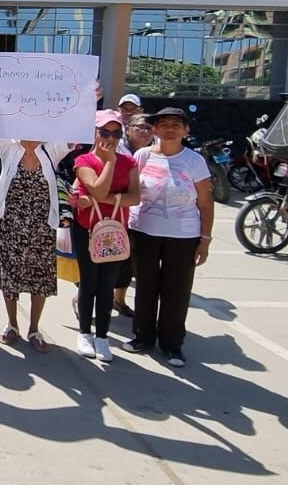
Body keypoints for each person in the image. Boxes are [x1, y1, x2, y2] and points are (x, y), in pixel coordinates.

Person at [125, 106, 213, 368]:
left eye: (176, 124)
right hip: (144, 231)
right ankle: (142, 336)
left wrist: (205, 239)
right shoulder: (142, 156)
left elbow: (206, 203)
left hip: (183, 236)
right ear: (155, 129)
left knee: (176, 290)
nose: (170, 129)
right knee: (145, 286)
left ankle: (172, 344)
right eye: (163, 124)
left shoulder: (194, 161)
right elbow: (130, 191)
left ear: (186, 130)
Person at [69, 109, 142, 363]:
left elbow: (136, 196)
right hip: (88, 231)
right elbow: (97, 190)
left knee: (107, 286)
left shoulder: (130, 163)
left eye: (116, 132)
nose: (111, 137)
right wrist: (110, 162)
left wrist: (112, 199)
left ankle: (102, 336)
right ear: (95, 132)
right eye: (105, 132)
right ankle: (85, 333)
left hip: (116, 232)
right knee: (88, 283)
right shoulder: (84, 161)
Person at [0, 134, 68, 352]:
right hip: (11, 224)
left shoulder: (51, 149)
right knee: (10, 274)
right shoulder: (9, 147)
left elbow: (71, 138)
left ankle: (34, 328)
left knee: (39, 276)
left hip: (41, 227)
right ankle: (12, 324)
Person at [114, 113, 157, 317]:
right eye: (139, 127)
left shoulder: (158, 151)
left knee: (128, 263)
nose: (144, 131)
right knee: (102, 258)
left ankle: (119, 300)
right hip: (113, 212)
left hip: (141, 218)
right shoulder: (114, 146)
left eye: (149, 127)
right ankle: (83, 299)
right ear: (128, 128)